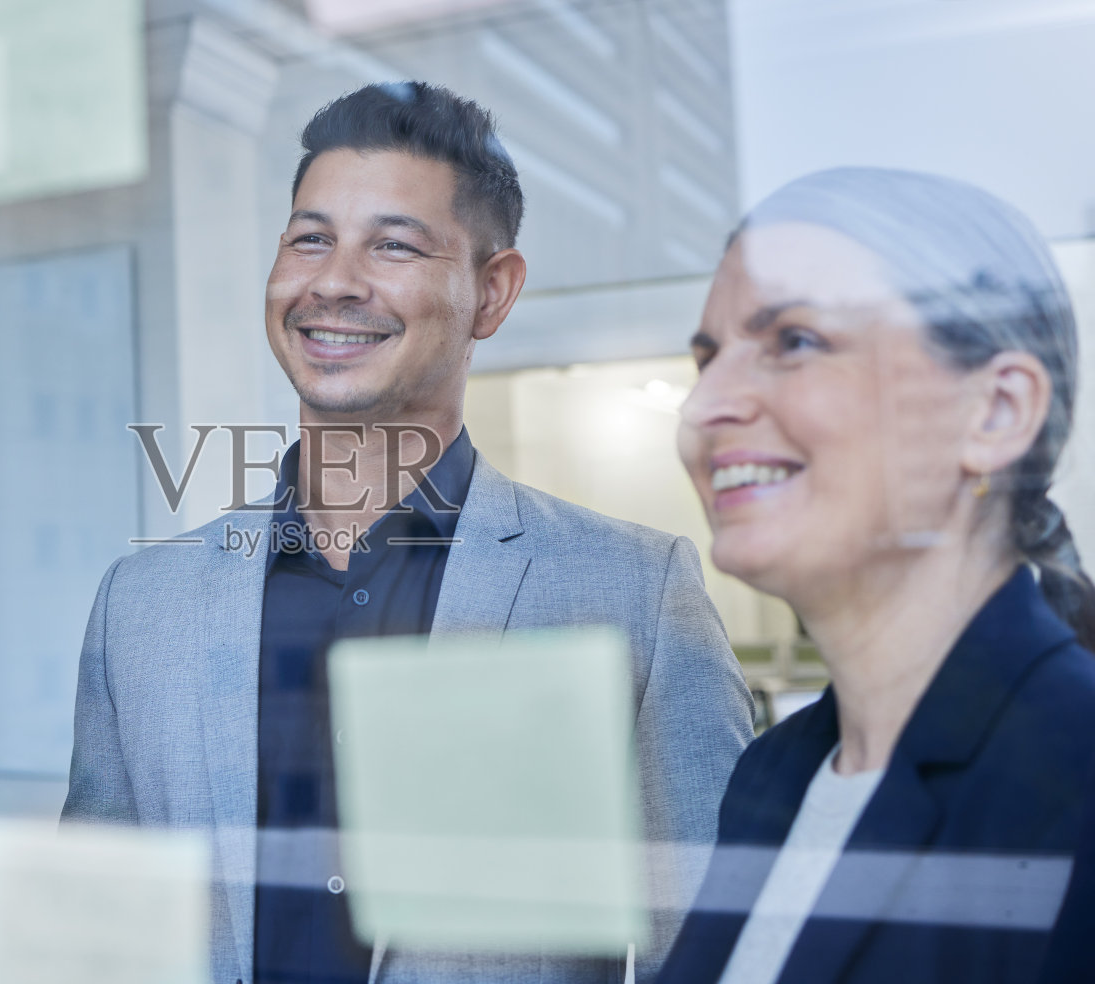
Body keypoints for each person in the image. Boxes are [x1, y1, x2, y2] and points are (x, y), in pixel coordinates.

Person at [63, 82, 753, 984]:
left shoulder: (633, 594)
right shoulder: (142, 603)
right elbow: (97, 946)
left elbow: (708, 958)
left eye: (393, 245)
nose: (334, 282)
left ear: (492, 293)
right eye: (310, 239)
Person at [660, 167, 1095, 984]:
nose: (705, 405)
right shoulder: (771, 773)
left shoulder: (1075, 771)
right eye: (708, 358)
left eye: (795, 341)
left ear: (996, 411)